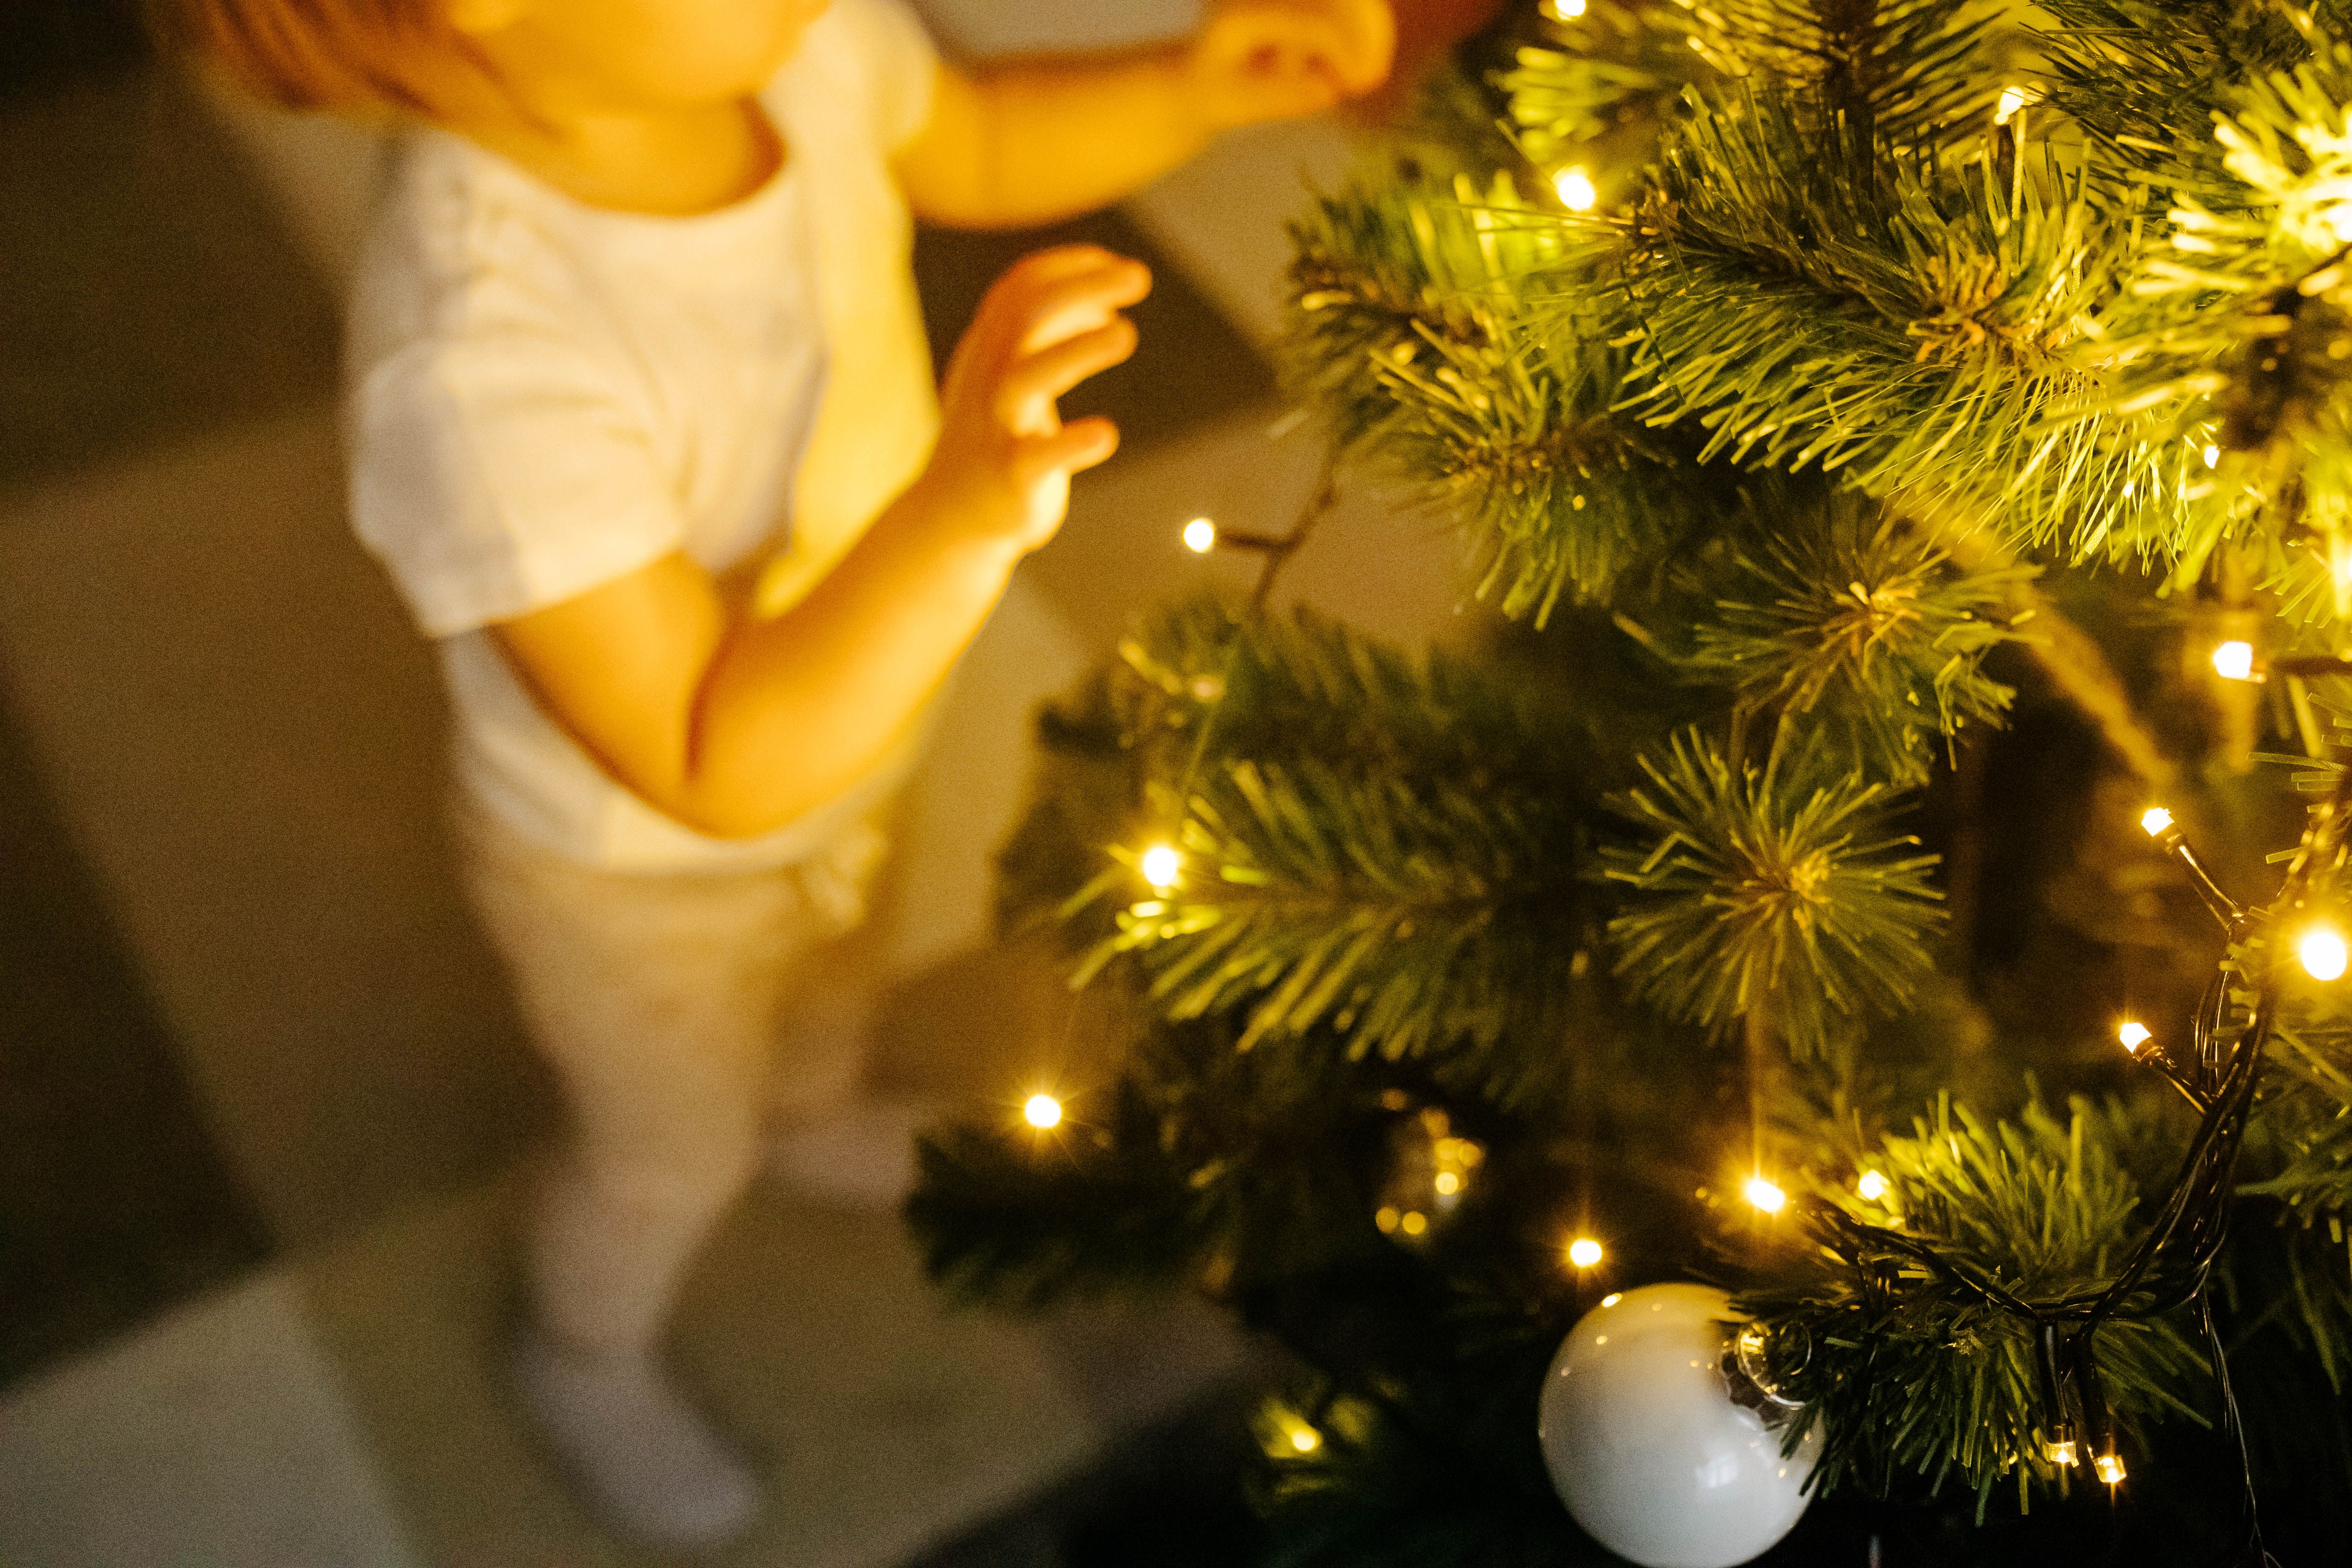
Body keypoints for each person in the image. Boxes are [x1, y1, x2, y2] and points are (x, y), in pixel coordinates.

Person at [157, 0, 1394, 1548]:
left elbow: (980, 139)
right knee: (670, 1143)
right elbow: (708, 760)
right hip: (634, 880)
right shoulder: (482, 362)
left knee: (835, 974)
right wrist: (953, 510)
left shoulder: (782, 39)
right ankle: (583, 1344)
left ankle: (812, 1114)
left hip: (855, 737)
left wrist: (1184, 84)